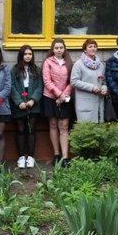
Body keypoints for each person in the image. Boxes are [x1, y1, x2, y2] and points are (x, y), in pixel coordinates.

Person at [42, 38, 74, 166]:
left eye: (61, 47)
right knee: (53, 124)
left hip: (66, 97)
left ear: (64, 49)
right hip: (50, 97)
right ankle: (56, 155)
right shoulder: (48, 62)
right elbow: (47, 81)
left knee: (64, 126)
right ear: (53, 49)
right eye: (56, 48)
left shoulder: (69, 62)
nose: (59, 50)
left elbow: (72, 81)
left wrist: (63, 95)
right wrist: (59, 94)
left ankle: (65, 157)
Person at [10, 45, 42, 169]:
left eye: (30, 54)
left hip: (33, 103)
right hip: (19, 103)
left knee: (31, 129)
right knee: (20, 129)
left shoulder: (37, 70)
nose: (28, 56)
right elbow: (12, 87)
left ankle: (31, 157)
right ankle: (21, 157)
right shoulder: (14, 70)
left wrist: (33, 99)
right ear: (21, 55)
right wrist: (19, 102)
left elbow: (40, 86)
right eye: (25, 54)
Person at [71, 39, 108, 125]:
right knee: (86, 130)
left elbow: (104, 81)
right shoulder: (78, 64)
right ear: (85, 49)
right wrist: (92, 87)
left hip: (99, 104)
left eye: (95, 46)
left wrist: (104, 88)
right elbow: (74, 81)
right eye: (90, 47)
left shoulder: (100, 65)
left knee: (98, 130)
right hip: (85, 104)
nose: (93, 48)